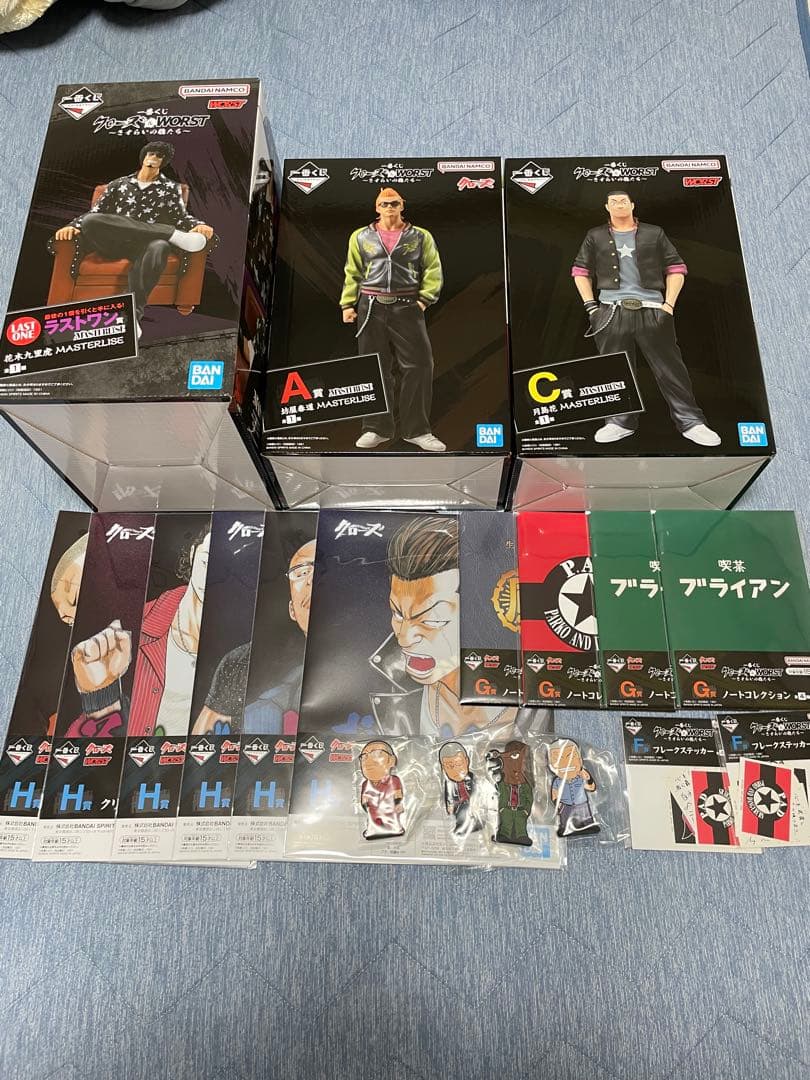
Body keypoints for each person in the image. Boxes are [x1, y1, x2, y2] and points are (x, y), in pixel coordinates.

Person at [571, 189, 720, 447]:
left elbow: (676, 268)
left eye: (623, 201)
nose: (619, 205)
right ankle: (619, 421)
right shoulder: (595, 236)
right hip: (611, 311)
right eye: (614, 201)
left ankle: (691, 421)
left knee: (670, 368)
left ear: (633, 204)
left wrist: (668, 306)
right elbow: (580, 271)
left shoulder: (654, 233)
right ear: (606, 207)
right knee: (614, 369)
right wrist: (591, 308)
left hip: (652, 309)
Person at [369, 515, 528, 737]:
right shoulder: (387, 685)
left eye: (432, 620)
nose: (404, 637)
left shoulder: (539, 685)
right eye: (398, 613)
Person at [53, 140, 214, 336]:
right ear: (143, 157)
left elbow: (181, 217)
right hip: (113, 243)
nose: (153, 159)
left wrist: (198, 225)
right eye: (150, 154)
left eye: (159, 156)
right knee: (91, 221)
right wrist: (71, 226)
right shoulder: (118, 184)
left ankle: (131, 316)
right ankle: (170, 233)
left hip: (145, 246)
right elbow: (95, 213)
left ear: (163, 162)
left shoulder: (170, 189)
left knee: (160, 246)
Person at [66, 529, 211, 738]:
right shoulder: (135, 626)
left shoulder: (244, 644)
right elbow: (85, 747)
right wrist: (100, 697)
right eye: (206, 561)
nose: (211, 576)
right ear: (192, 554)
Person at [340, 186, 445, 452]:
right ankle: (375, 428)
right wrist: (348, 303)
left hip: (407, 304)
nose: (389, 207)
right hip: (371, 305)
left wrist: (425, 299)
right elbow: (352, 271)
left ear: (402, 205)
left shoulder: (420, 236)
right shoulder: (360, 236)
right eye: (384, 204)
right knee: (373, 366)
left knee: (420, 365)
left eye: (394, 203)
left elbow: (433, 269)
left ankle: (417, 430)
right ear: (377, 207)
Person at [193, 537, 317, 736]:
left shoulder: (373, 664)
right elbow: (204, 745)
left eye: (323, 569)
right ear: (292, 610)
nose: (312, 579)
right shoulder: (240, 663)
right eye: (302, 572)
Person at [548, 738, 600, 838]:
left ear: (580, 760)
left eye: (571, 757)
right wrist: (557, 804)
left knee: (585, 818)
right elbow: (554, 793)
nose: (565, 763)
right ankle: (565, 827)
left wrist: (588, 779)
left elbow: (591, 787)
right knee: (565, 819)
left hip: (582, 804)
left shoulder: (580, 778)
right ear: (551, 765)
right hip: (565, 806)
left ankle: (588, 825)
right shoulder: (557, 781)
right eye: (558, 759)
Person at [359, 739, 405, 839]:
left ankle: (394, 829)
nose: (368, 761)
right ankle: (373, 831)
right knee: (373, 823)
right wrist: (368, 807)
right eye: (364, 757)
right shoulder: (365, 784)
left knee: (392, 822)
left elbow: (398, 797)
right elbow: (364, 802)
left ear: (392, 760)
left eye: (377, 754)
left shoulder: (394, 780)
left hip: (390, 811)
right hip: (373, 812)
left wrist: (397, 805)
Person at [493, 740, 533, 846]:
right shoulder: (503, 784)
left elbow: (529, 797)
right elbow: (499, 794)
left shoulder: (525, 785)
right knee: (505, 825)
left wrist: (526, 810)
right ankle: (503, 835)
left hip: (520, 809)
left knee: (521, 826)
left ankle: (522, 836)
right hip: (506, 809)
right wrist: (501, 808)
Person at [439, 741, 480, 836]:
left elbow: (476, 789)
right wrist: (449, 805)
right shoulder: (449, 782)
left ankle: (473, 824)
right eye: (450, 766)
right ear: (443, 768)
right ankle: (462, 826)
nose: (455, 770)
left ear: (467, 761)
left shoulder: (471, 777)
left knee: (471, 813)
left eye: (459, 764)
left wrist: (476, 800)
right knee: (461, 814)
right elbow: (448, 795)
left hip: (471, 801)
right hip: (458, 803)